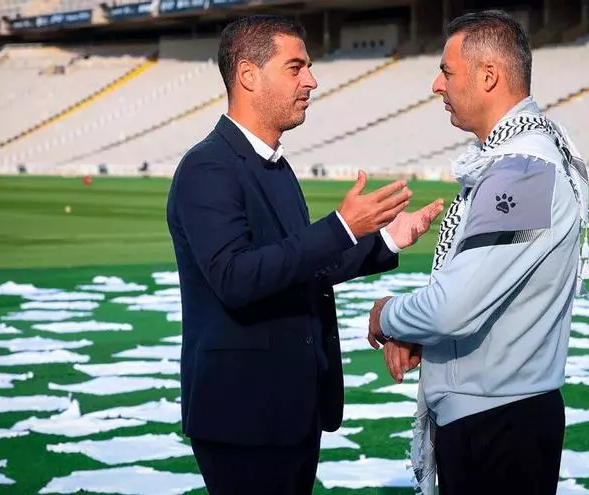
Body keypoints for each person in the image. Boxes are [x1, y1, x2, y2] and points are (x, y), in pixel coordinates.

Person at [165, 15, 444, 494]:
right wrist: (339, 225)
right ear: (249, 75)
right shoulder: (207, 168)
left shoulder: (274, 164)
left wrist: (386, 239)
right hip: (244, 417)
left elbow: (303, 264)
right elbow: (236, 277)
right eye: (296, 67)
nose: (311, 80)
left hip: (291, 410)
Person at [366, 9, 589, 495]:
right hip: (502, 410)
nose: (436, 85)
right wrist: (422, 332)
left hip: (496, 422)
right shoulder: (527, 154)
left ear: (488, 75)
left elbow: (454, 307)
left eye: (447, 71)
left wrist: (387, 316)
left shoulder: (522, 170)